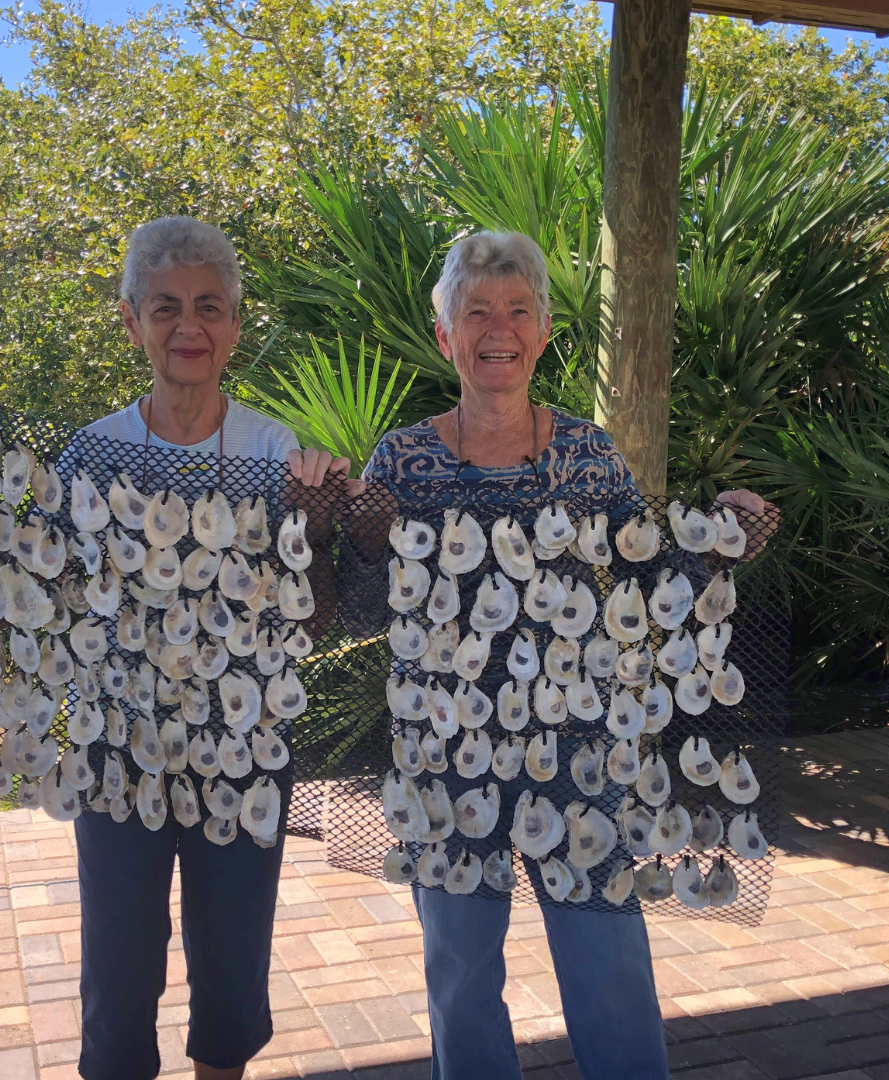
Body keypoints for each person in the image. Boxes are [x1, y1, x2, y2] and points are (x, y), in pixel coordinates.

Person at [0, 216, 347, 1080]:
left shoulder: (273, 449)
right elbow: (30, 573)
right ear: (132, 321)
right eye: (167, 306)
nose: (190, 328)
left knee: (233, 956)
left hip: (242, 750)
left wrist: (322, 523)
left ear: (235, 326)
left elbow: (312, 615)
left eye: (209, 307)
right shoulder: (91, 451)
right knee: (119, 957)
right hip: (114, 750)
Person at [342, 230, 779, 1080]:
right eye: (476, 311)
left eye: (517, 310)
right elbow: (364, 600)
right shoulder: (402, 457)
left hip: (579, 748)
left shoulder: (587, 452)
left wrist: (726, 538)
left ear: (543, 333)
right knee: (461, 971)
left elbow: (654, 574)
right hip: (445, 756)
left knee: (606, 953)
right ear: (446, 336)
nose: (497, 328)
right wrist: (349, 527)